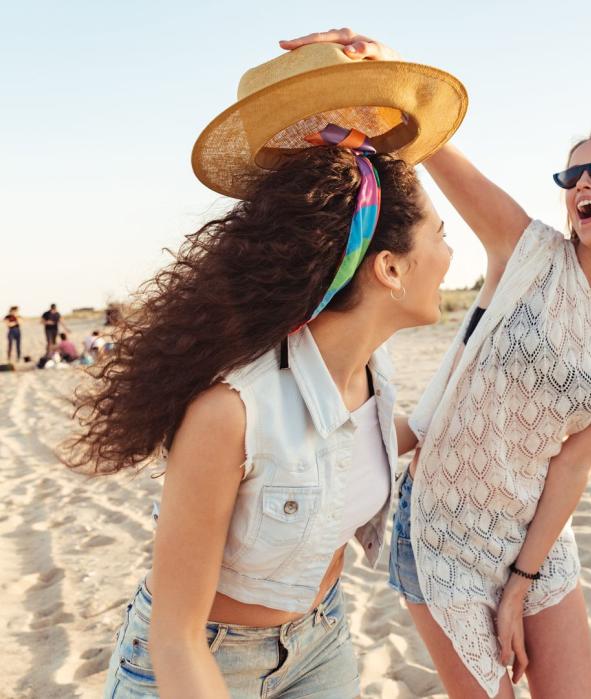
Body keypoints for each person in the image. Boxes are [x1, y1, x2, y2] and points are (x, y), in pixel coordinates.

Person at [281, 28, 591, 699]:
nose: (582, 180)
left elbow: (575, 461)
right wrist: (381, 72)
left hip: (537, 539)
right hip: (440, 527)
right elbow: (430, 145)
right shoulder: (524, 250)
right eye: (571, 173)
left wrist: (522, 581)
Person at [66, 42, 467, 696]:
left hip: (322, 640)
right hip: (204, 660)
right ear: (389, 267)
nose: (452, 256)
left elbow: (353, 437)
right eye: (440, 236)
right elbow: (176, 634)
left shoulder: (372, 368)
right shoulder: (230, 411)